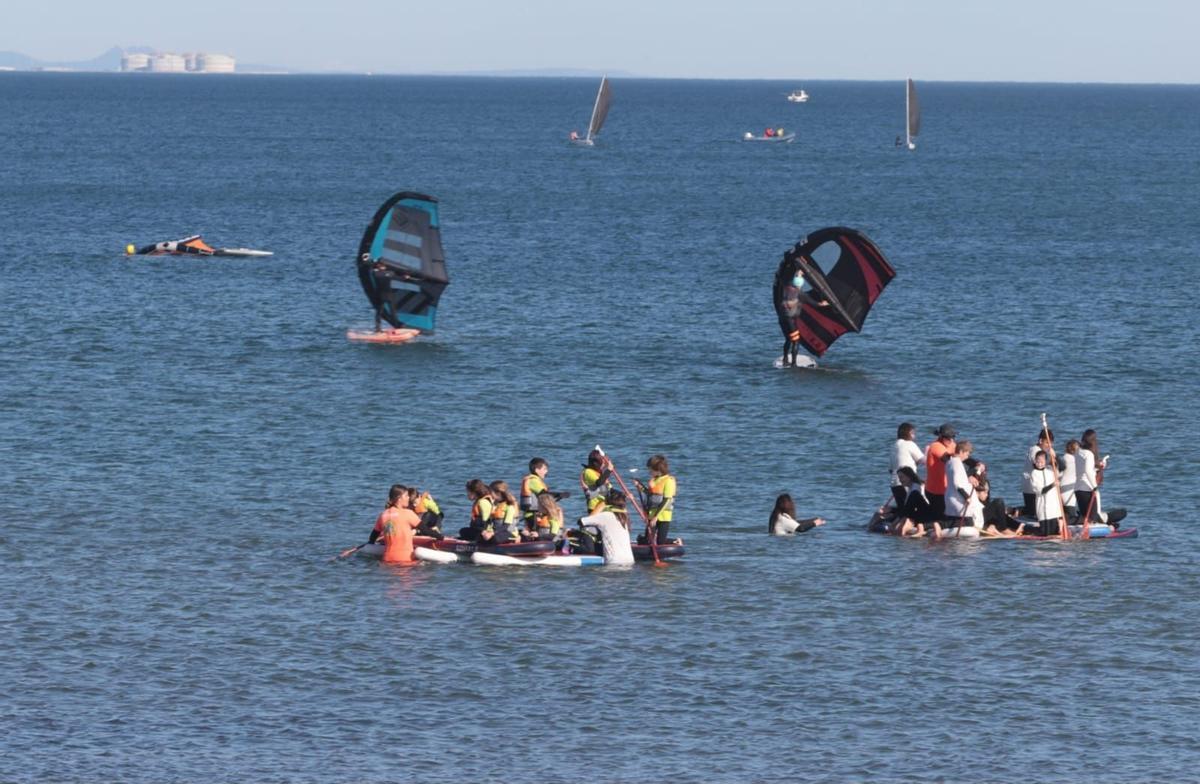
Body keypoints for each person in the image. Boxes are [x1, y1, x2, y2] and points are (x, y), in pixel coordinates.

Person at [369, 485, 421, 563]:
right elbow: (425, 529)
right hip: (406, 561)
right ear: (399, 498)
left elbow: (373, 537)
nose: (408, 498)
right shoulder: (408, 513)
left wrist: (370, 543)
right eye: (406, 496)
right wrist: (439, 537)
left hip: (387, 560)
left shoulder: (383, 514)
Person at [635, 454, 677, 545]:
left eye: (650, 469)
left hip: (663, 515)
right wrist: (640, 488)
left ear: (658, 470)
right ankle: (641, 540)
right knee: (648, 540)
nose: (649, 471)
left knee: (660, 541)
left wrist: (656, 516)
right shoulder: (654, 480)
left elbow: (666, 500)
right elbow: (650, 494)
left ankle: (675, 541)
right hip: (651, 513)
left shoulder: (669, 480)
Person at [1028, 450, 1066, 536]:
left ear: (1046, 462)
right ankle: (1026, 528)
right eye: (1037, 461)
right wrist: (1052, 485)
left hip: (1053, 507)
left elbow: (1063, 467)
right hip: (1042, 506)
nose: (1039, 464)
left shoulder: (1050, 470)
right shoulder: (1034, 473)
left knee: (1054, 532)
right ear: (1035, 461)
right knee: (1045, 532)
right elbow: (1039, 490)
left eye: (1042, 462)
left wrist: (1055, 456)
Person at [924, 423, 957, 520]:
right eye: (948, 438)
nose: (951, 440)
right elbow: (947, 459)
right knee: (939, 518)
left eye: (953, 437)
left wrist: (977, 463)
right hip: (934, 491)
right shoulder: (935, 446)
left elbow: (963, 455)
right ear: (941, 437)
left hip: (946, 491)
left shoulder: (952, 444)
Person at [890, 422, 925, 507]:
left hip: (894, 484)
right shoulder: (909, 444)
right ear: (908, 433)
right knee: (913, 510)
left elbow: (890, 469)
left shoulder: (894, 446)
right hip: (907, 484)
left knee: (903, 510)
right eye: (913, 433)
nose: (914, 436)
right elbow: (923, 460)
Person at [1021, 429, 1055, 518]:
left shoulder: (1043, 452)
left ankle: (1019, 511)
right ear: (1040, 441)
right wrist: (1051, 459)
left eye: (1051, 443)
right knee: (1033, 514)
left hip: (1038, 488)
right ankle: (1016, 511)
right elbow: (1038, 466)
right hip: (1031, 488)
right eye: (1047, 443)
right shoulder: (1035, 451)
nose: (1049, 446)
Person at [520, 458, 551, 535]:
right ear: (537, 470)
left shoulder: (533, 479)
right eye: (544, 469)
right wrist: (559, 495)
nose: (546, 471)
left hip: (532, 514)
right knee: (536, 532)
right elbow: (544, 495)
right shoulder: (533, 481)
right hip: (533, 514)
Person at [580, 449, 615, 517]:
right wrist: (608, 470)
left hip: (604, 506)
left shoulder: (599, 472)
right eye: (602, 461)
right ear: (596, 463)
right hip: (595, 507)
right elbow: (599, 483)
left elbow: (607, 488)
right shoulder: (588, 472)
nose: (604, 463)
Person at [1059, 439, 1080, 522]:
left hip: (1060, 493)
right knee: (1071, 517)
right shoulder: (1074, 461)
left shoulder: (1063, 459)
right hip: (1068, 495)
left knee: (1066, 514)